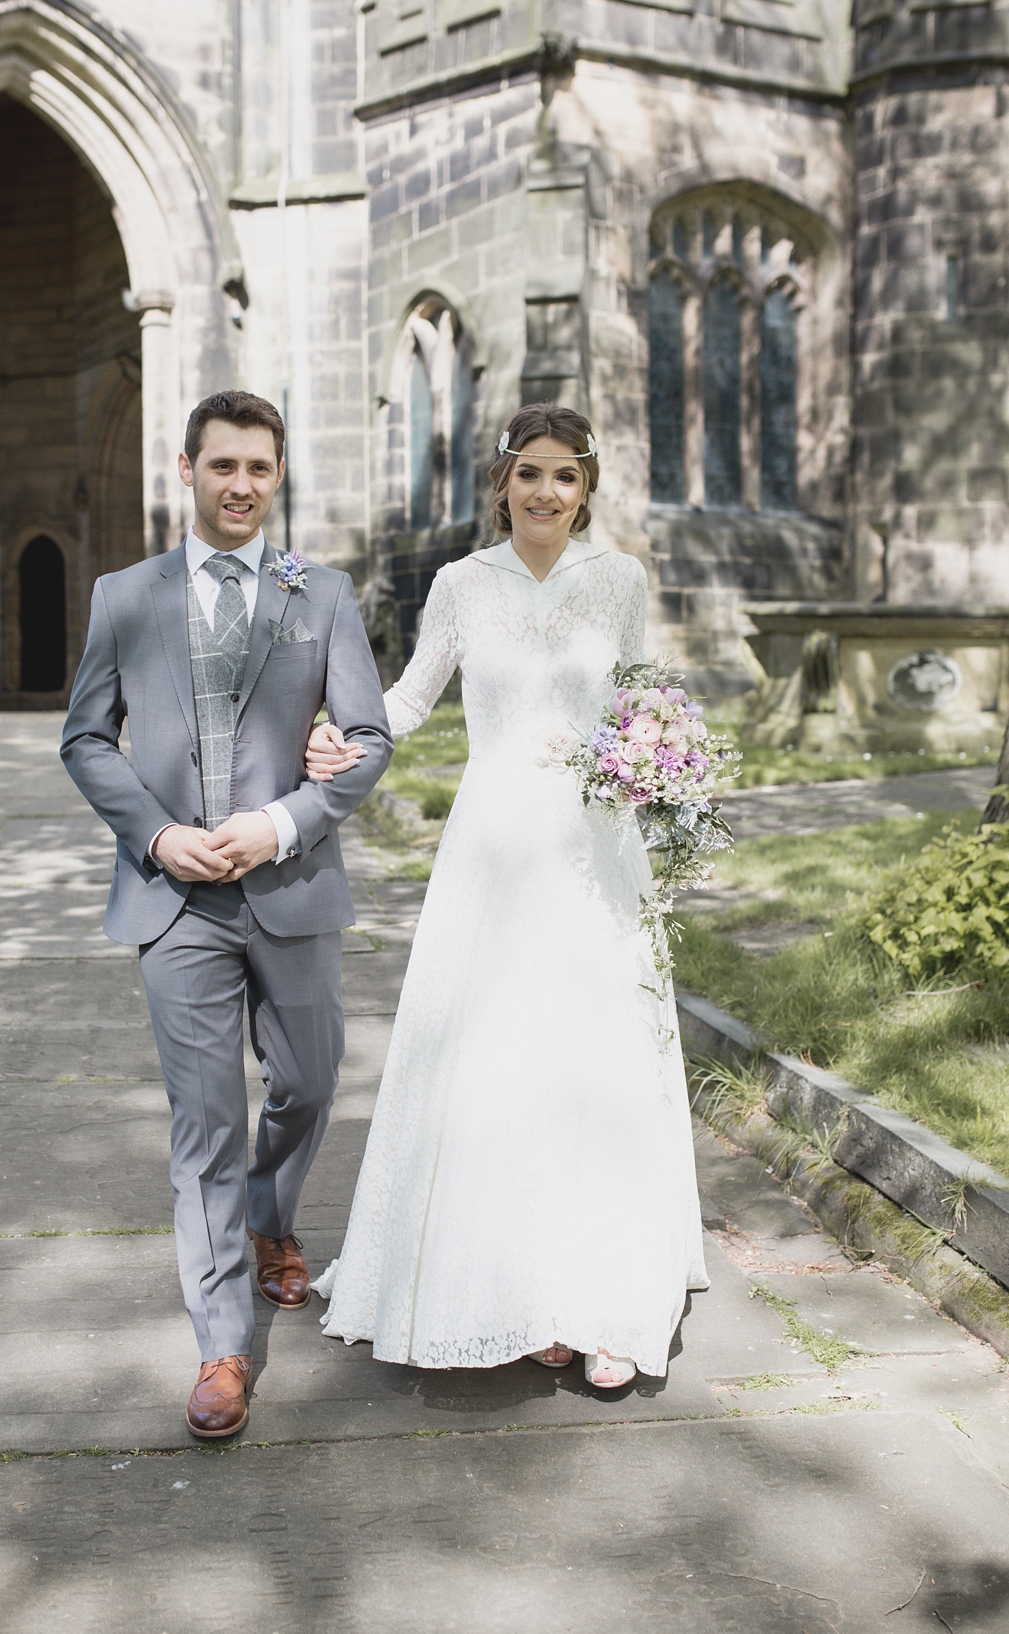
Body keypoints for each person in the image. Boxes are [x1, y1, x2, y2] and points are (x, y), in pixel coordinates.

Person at [305, 402, 708, 1388]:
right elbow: (408, 698)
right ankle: (516, 1293)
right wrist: (341, 735)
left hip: (593, 849)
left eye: (564, 476)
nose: (545, 492)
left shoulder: (618, 582)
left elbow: (636, 702)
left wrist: (667, 756)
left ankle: (606, 1295)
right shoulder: (460, 583)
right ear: (502, 483)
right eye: (528, 473)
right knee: (498, 1058)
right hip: (490, 851)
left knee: (595, 1063)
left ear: (587, 488)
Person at [61, 390, 392, 1441]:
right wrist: (157, 837)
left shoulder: (322, 593)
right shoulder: (125, 596)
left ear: (277, 475)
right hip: (174, 901)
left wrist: (287, 821)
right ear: (186, 468)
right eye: (223, 466)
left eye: (260, 467)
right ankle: (221, 1345)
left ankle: (272, 1220)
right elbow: (84, 740)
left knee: (306, 1082)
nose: (241, 484)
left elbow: (370, 738)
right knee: (205, 1123)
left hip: (290, 888)